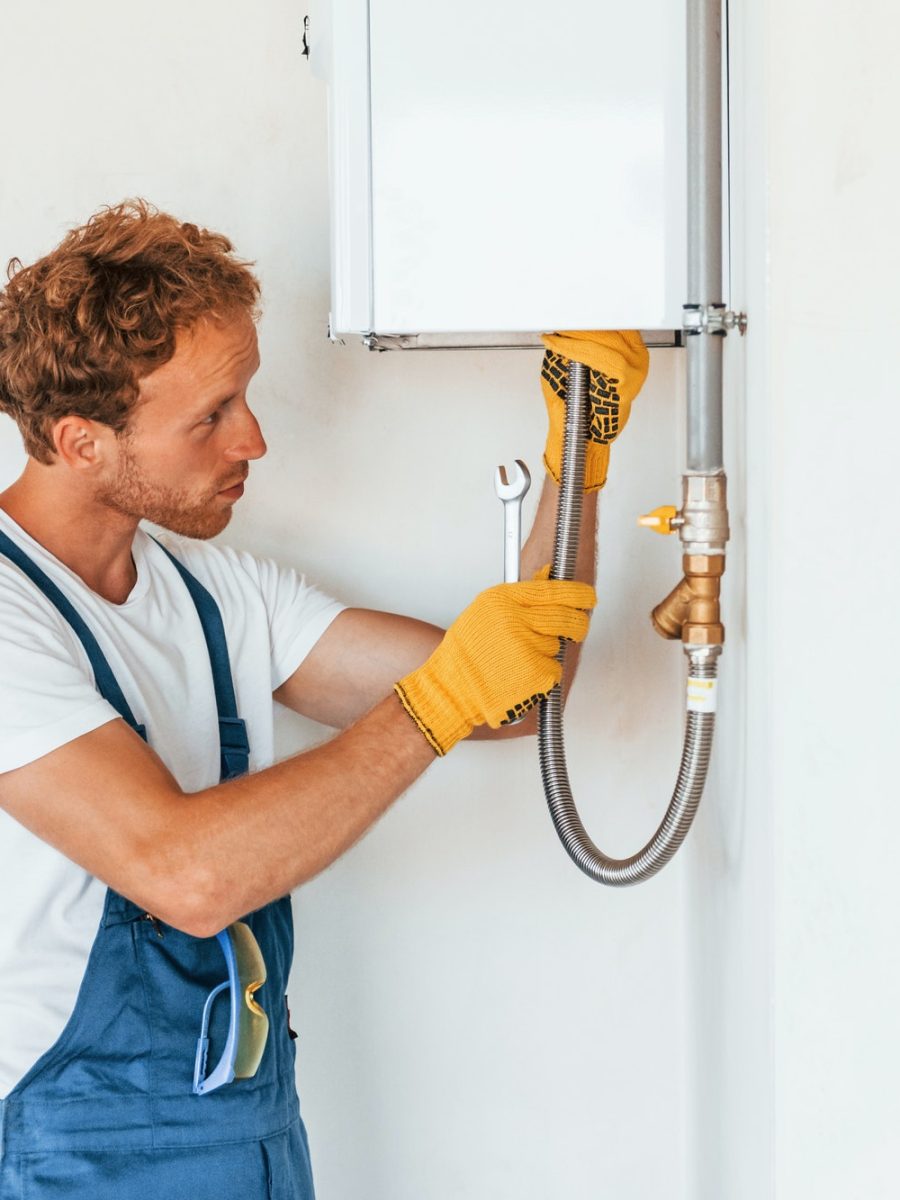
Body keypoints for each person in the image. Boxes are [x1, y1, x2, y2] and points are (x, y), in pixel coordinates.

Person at [0, 201, 649, 1199]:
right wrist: (432, 707)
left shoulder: (216, 596)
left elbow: (513, 698)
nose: (252, 439)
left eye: (245, 398)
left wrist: (580, 455)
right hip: (80, 1153)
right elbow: (183, 875)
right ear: (82, 441)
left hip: (253, 1129)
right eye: (209, 416)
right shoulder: (10, 617)